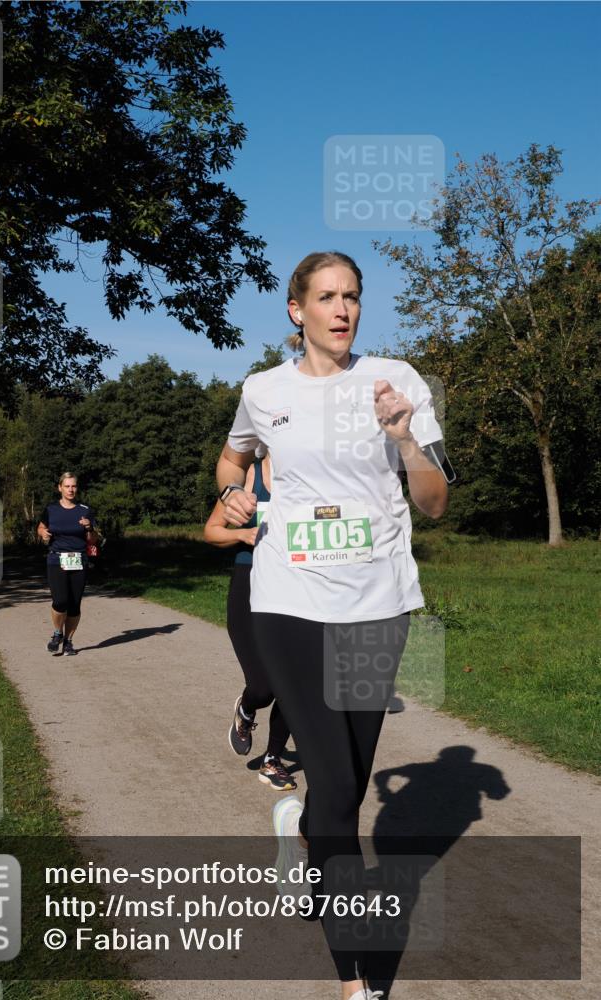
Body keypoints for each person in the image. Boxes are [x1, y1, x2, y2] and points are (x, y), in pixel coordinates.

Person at [216, 251, 449, 1000]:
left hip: (377, 606)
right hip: (287, 600)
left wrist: (404, 437)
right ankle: (357, 981)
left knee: (337, 784)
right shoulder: (263, 391)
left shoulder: (398, 382)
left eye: (351, 296)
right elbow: (232, 459)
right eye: (326, 297)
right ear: (297, 311)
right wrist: (234, 497)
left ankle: (300, 832)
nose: (342, 309)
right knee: (345, 790)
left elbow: (437, 504)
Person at [204, 448, 296, 792]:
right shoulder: (248, 478)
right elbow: (211, 531)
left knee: (291, 681)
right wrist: (242, 535)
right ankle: (246, 708)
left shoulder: (308, 482)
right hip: (249, 583)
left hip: (294, 588)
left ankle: (273, 760)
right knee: (263, 686)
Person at [37, 472, 99, 657]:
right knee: (60, 601)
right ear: (60, 488)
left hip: (79, 560)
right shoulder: (51, 509)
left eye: (74, 486)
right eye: (67, 486)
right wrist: (43, 534)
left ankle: (69, 642)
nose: (71, 489)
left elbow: (93, 541)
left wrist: (89, 528)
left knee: (74, 605)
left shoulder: (85, 510)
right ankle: (57, 633)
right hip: (57, 559)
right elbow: (40, 527)